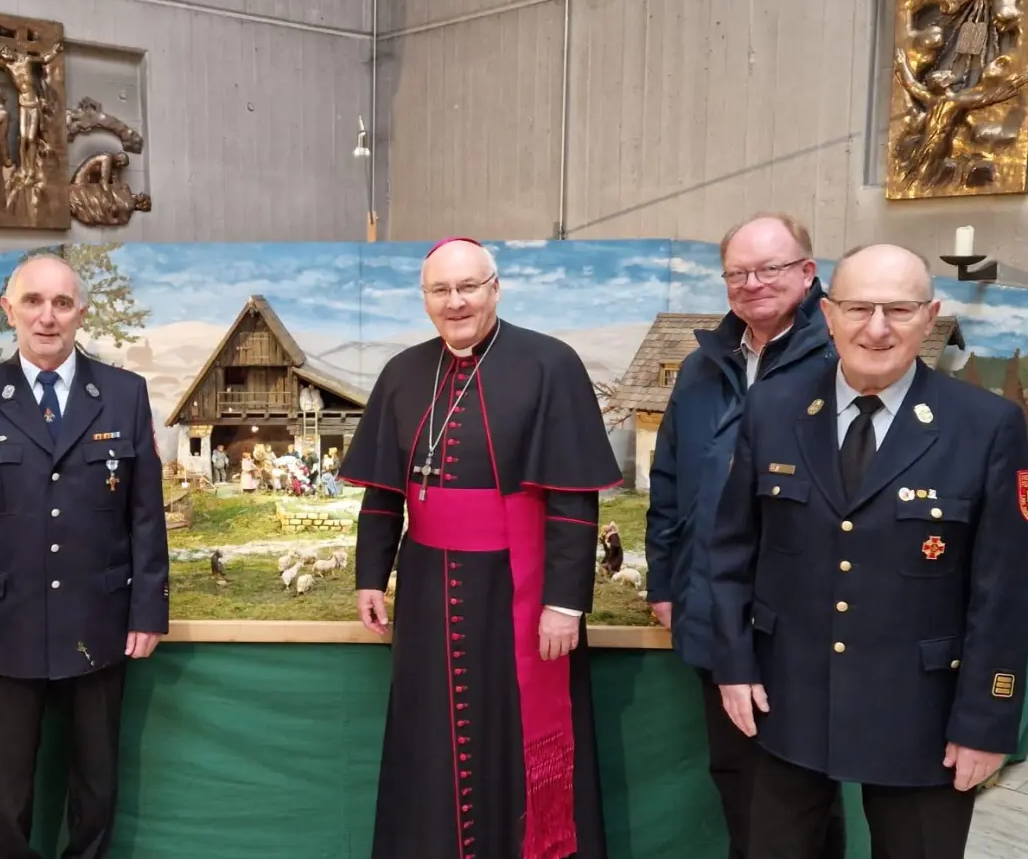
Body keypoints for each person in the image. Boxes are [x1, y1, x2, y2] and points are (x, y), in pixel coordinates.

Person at [709, 244, 1028, 859]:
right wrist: (735, 663)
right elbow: (729, 553)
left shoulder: (987, 426)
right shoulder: (773, 408)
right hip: (787, 705)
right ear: (827, 314)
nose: (876, 328)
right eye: (858, 308)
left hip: (923, 719)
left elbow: (1005, 591)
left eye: (898, 310)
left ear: (930, 316)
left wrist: (987, 723)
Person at [339, 237, 623, 859]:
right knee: (431, 737)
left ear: (496, 288)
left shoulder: (550, 363)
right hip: (427, 594)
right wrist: (369, 577)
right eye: (441, 290)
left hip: (515, 594)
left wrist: (565, 604)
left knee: (511, 734)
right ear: (425, 300)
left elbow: (575, 498)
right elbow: (386, 491)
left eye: (469, 286)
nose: (456, 301)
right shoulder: (403, 372)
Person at [0, 253, 168, 859]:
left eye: (62, 303)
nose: (47, 316)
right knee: (6, 795)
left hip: (99, 621)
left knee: (96, 784)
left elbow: (144, 515)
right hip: (4, 631)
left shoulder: (122, 394)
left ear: (80, 312)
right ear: (9, 310)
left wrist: (147, 610)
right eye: (32, 301)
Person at [643, 212, 843, 859]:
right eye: (738, 272)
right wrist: (667, 580)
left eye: (772, 269)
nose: (753, 283)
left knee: (797, 787)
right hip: (713, 610)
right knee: (735, 776)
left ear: (809, 273)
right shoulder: (705, 365)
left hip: (804, 619)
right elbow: (669, 477)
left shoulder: (841, 357)